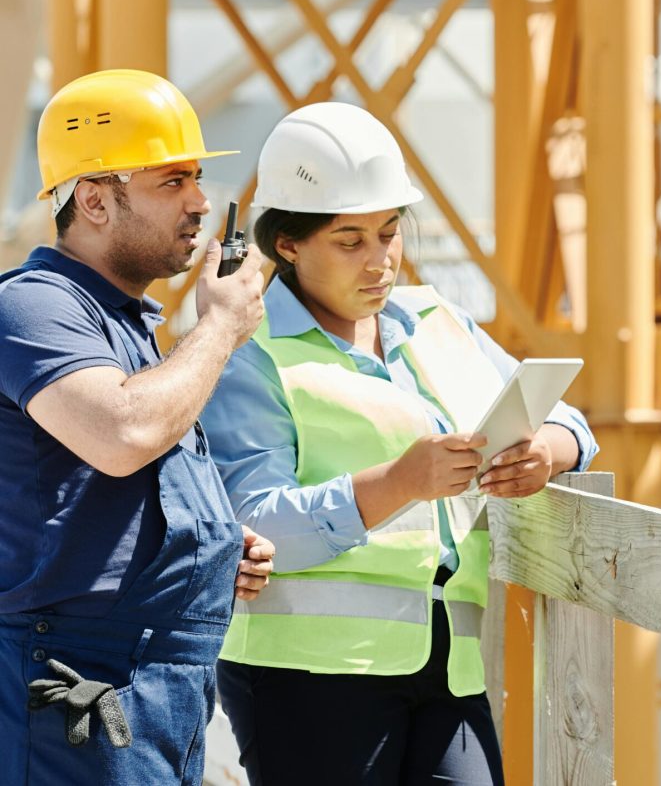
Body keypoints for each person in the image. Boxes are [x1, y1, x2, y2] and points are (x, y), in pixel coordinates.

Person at [203, 101, 598, 785]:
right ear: (287, 245)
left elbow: (569, 419)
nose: (381, 261)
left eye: (390, 233)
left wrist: (548, 451)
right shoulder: (249, 356)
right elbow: (252, 527)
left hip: (449, 666)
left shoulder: (435, 318)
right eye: (350, 241)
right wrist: (399, 484)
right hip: (308, 680)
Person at [0, 69, 276, 785]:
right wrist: (219, 328)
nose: (200, 202)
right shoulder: (33, 307)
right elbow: (123, 434)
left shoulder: (126, 329)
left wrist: (209, 547)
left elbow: (115, 477)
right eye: (172, 181)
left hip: (152, 682)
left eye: (197, 179)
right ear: (93, 198)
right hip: (76, 678)